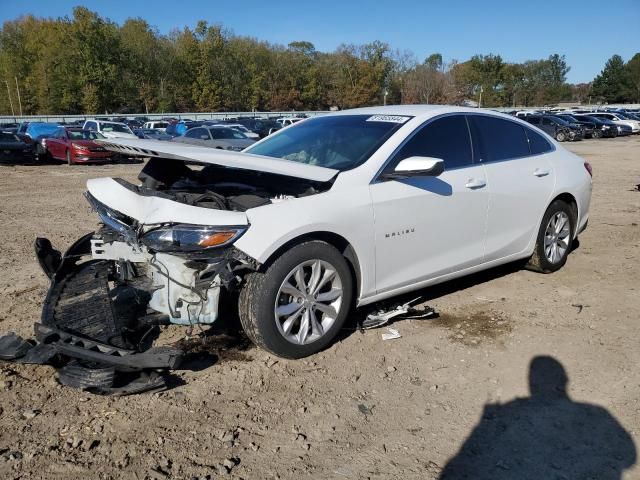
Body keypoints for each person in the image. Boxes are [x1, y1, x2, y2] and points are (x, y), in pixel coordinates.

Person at [440, 356, 636, 480]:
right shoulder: (597, 412)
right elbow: (629, 457)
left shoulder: (509, 409)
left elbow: (629, 458)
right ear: (565, 380)